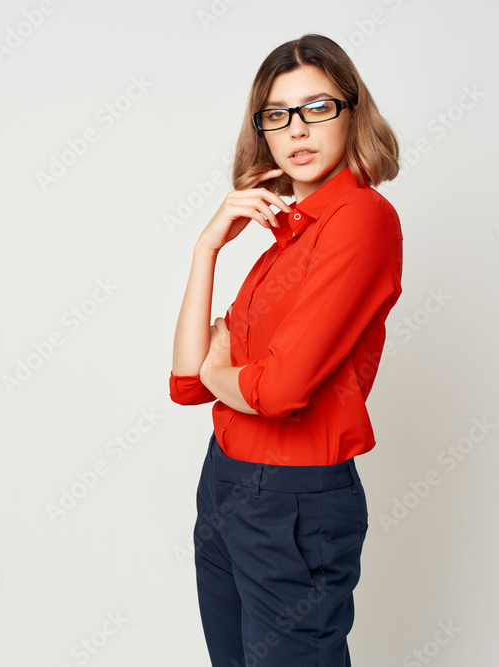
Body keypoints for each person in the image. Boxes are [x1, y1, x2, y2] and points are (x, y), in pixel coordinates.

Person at [168, 33, 403, 666]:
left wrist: (223, 368)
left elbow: (276, 392)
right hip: (225, 481)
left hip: (293, 498)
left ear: (352, 112)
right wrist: (207, 248)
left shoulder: (361, 218)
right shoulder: (286, 240)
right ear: (263, 133)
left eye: (317, 107)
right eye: (277, 115)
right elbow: (188, 381)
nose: (297, 128)